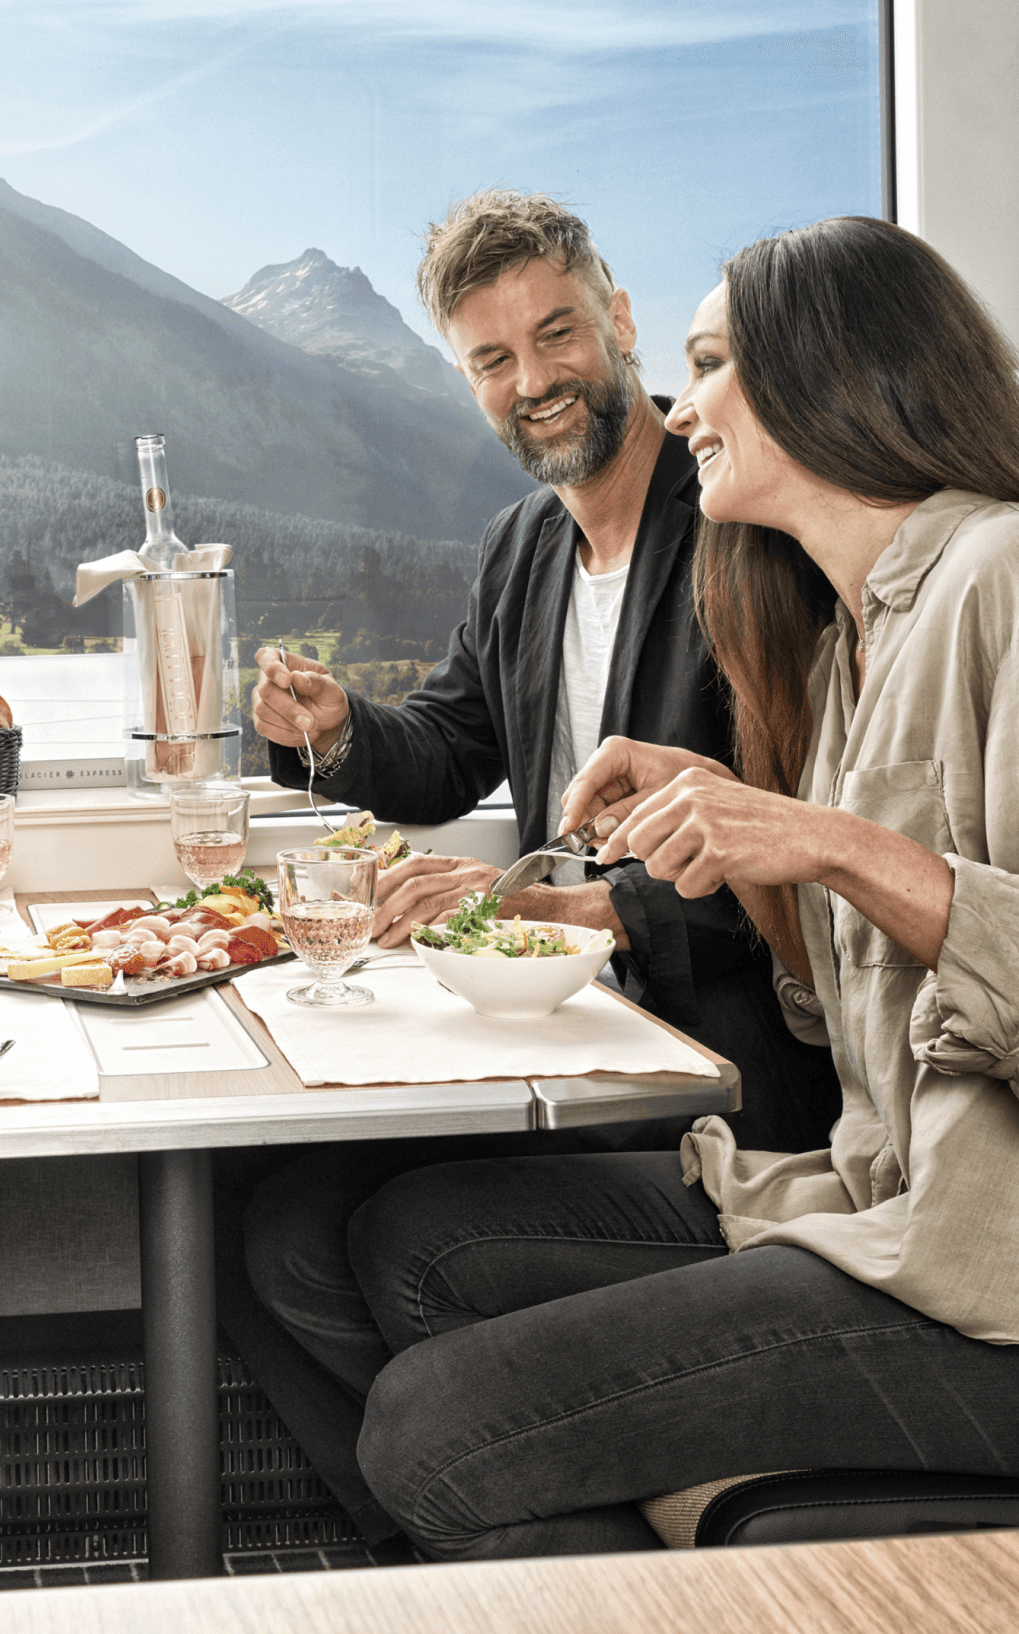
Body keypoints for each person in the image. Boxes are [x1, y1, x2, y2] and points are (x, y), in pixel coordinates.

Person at [341, 216, 1019, 1558]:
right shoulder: (850, 651)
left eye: (714, 363)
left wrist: (830, 844)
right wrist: (725, 829)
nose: (688, 404)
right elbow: (842, 1023)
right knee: (407, 1243)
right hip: (898, 1215)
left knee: (434, 1429)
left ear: (831, 375)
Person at [223, 191, 838, 1539]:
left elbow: (800, 846)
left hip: (726, 1059)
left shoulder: (743, 526)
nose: (535, 381)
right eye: (494, 361)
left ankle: (518, 1530)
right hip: (569, 1023)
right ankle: (469, 1537)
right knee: (259, 1230)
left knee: (381, 1233)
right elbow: (455, 745)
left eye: (556, 335)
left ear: (618, 323)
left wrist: (584, 912)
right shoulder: (523, 549)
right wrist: (336, 736)